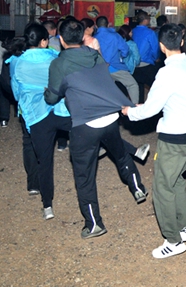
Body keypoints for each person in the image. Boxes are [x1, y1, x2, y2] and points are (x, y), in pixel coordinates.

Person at [123, 24, 186, 258]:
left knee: (162, 188)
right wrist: (145, 106)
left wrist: (130, 112)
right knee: (176, 181)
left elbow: (150, 110)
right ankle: (183, 227)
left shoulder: (166, 72)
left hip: (175, 138)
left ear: (161, 46)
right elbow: (182, 97)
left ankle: (173, 240)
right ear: (181, 42)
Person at [45, 18, 147, 239]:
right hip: (110, 118)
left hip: (85, 124)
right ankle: (137, 186)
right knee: (120, 154)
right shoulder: (94, 55)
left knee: (84, 176)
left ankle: (94, 224)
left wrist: (49, 91)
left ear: (61, 40)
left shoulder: (59, 64)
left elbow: (52, 97)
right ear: (82, 36)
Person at [7, 23, 72, 220]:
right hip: (58, 110)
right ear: (44, 41)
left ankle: (45, 203)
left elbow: (16, 92)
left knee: (42, 158)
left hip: (34, 114)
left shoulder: (16, 62)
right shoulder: (55, 57)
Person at [94, 16, 140, 104]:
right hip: (115, 67)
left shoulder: (94, 37)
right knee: (132, 85)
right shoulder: (115, 36)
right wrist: (121, 56)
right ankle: (134, 108)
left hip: (100, 69)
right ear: (108, 25)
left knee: (108, 90)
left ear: (96, 26)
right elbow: (125, 50)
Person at [132, 11, 160, 102]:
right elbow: (154, 48)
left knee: (138, 89)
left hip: (134, 66)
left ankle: (139, 106)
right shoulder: (150, 33)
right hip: (146, 64)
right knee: (157, 87)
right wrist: (156, 58)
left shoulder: (133, 31)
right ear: (145, 20)